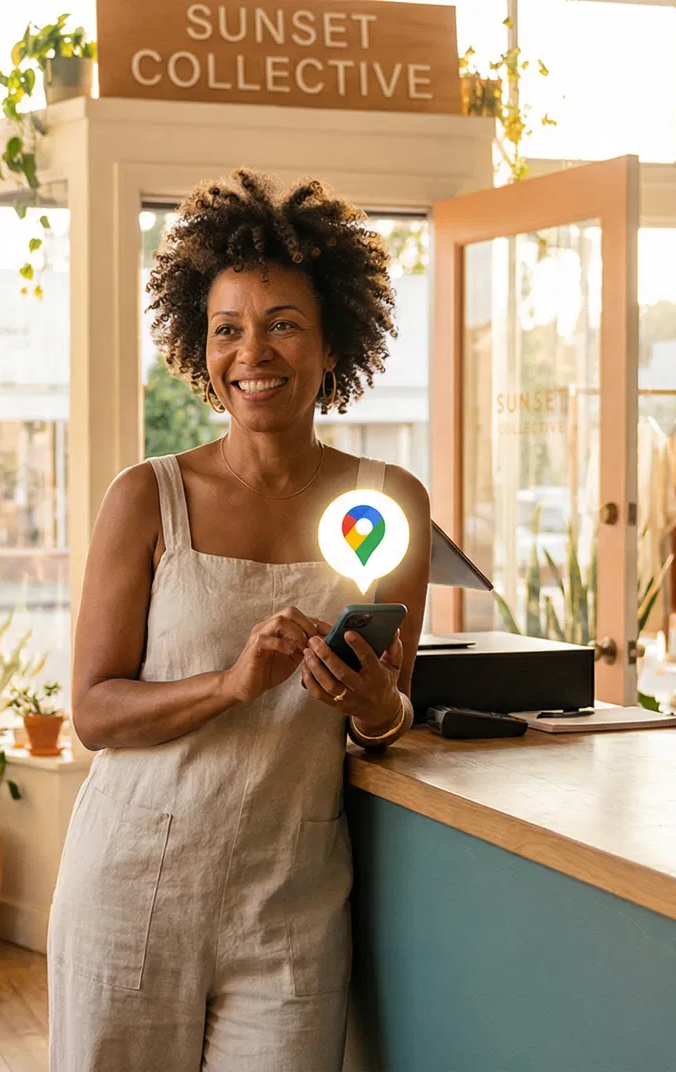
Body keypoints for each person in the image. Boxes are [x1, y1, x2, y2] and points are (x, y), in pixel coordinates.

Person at [48, 169, 429, 1071]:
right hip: (129, 893)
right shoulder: (148, 498)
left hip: (290, 908)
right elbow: (94, 712)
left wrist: (372, 703)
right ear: (201, 348)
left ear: (333, 342)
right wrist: (230, 685)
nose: (253, 351)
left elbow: (390, 723)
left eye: (283, 324)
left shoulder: (390, 502)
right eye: (228, 329)